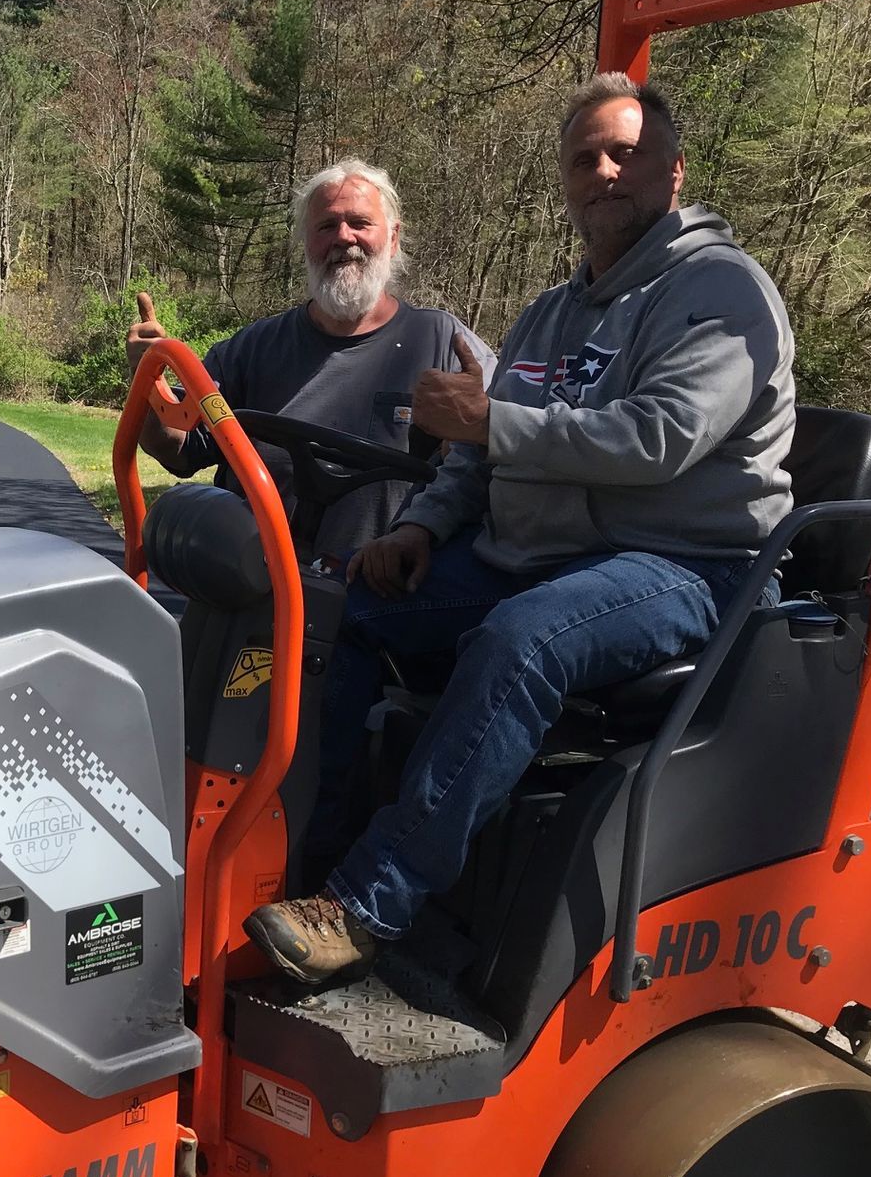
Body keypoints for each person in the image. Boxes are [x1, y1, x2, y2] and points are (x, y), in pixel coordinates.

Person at [243, 73, 797, 986]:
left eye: (626, 154)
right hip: (544, 555)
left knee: (524, 639)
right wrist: (422, 527)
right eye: (585, 158)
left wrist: (491, 421)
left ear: (673, 171)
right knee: (339, 608)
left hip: (691, 562)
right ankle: (298, 858)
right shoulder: (549, 313)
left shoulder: (722, 292)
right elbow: (478, 452)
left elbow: (659, 437)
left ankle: (368, 903)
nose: (604, 171)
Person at [126, 159, 493, 567]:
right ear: (306, 242)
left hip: (384, 590)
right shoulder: (254, 348)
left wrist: (476, 428)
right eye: (326, 226)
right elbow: (177, 449)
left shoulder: (445, 344)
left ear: (392, 239)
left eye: (360, 223)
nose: (343, 237)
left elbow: (494, 456)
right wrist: (147, 381)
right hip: (255, 584)